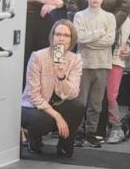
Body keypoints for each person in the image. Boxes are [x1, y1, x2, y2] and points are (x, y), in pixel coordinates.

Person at [21, 19, 84, 158]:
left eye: (66, 35)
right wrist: (57, 116)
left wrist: (61, 77)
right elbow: (33, 95)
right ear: (52, 36)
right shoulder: (38, 57)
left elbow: (73, 93)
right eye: (58, 34)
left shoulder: (75, 59)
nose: (61, 38)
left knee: (78, 107)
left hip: (58, 103)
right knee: (43, 120)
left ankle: (64, 146)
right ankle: (33, 138)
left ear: (71, 40)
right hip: (33, 106)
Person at [73, 0, 116, 148]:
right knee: (80, 101)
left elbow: (109, 41)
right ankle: (77, 132)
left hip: (102, 65)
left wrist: (89, 40)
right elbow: (79, 38)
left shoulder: (109, 17)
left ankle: (91, 133)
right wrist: (99, 33)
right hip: (83, 65)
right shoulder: (79, 16)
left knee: (96, 103)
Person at [106, 9, 130, 144]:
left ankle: (116, 127)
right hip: (91, 59)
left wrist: (128, 45)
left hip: (113, 60)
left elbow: (121, 40)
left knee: (109, 96)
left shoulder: (123, 18)